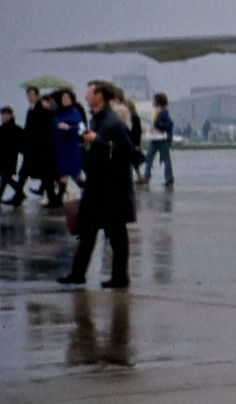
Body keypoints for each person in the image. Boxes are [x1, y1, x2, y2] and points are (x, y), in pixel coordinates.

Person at [59, 81, 135, 289]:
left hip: (111, 188)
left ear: (100, 95)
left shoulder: (112, 121)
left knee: (116, 233)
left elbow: (128, 152)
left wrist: (99, 141)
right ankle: (78, 273)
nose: (85, 95)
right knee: (88, 230)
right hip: (97, 184)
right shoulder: (97, 119)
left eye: (89, 92)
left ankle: (120, 276)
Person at [55, 89, 87, 195]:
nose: (66, 100)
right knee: (69, 174)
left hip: (72, 147)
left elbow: (82, 128)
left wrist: (69, 127)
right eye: (63, 98)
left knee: (73, 173)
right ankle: (89, 190)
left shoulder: (75, 112)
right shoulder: (59, 112)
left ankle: (58, 199)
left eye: (68, 97)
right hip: (62, 147)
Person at [142, 92, 174, 187]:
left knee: (162, 159)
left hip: (161, 139)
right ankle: (147, 176)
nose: (153, 102)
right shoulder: (158, 112)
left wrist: (160, 126)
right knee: (150, 157)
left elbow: (169, 124)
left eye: (155, 100)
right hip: (156, 138)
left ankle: (168, 178)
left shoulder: (163, 112)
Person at [0, 106, 24, 205]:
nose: (3, 117)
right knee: (5, 178)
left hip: (9, 157)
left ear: (10, 115)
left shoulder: (12, 129)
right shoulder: (2, 129)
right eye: (2, 115)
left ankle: (19, 193)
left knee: (5, 178)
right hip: (4, 156)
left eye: (5, 115)